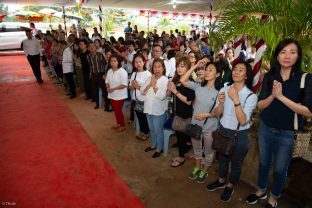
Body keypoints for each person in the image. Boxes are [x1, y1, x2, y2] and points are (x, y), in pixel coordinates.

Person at [245, 39, 312, 208]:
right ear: (277, 56)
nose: (287, 56)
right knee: (263, 163)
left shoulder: (305, 78)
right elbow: (260, 106)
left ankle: (273, 198)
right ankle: (260, 190)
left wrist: (282, 97)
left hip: (287, 133)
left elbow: (308, 111)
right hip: (266, 128)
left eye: (292, 52)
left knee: (280, 169)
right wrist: (273, 96)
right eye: (283, 52)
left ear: (298, 56)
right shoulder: (270, 76)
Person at [206, 60, 257, 202]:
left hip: (239, 135)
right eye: (235, 69)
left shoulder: (250, 96)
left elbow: (243, 121)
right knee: (222, 160)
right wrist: (221, 103)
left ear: (246, 76)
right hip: (223, 130)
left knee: (236, 164)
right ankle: (221, 181)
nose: (236, 72)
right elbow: (216, 113)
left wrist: (236, 100)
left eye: (241, 70)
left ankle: (230, 186)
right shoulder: (224, 88)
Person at [180, 60, 222, 182]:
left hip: (210, 128)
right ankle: (197, 167)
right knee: (197, 149)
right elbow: (183, 80)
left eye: (211, 70)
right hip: (195, 125)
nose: (207, 72)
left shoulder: (221, 91)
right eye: (206, 69)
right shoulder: (198, 87)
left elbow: (220, 111)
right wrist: (195, 66)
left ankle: (205, 171)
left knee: (208, 151)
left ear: (218, 74)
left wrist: (207, 115)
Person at [167, 57, 195, 168]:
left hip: (185, 113)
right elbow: (168, 95)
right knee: (180, 136)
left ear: (188, 68)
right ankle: (184, 151)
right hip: (176, 111)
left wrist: (175, 91)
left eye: (182, 66)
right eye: (178, 66)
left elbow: (188, 102)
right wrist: (170, 89)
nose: (179, 68)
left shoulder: (190, 82)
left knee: (182, 136)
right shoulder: (176, 79)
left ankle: (181, 157)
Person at [141, 58, 168, 158]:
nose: (157, 69)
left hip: (158, 111)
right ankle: (153, 145)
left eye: (159, 67)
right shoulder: (150, 77)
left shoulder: (165, 80)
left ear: (163, 68)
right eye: (155, 67)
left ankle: (159, 148)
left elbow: (162, 96)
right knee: (152, 130)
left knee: (158, 131)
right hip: (148, 109)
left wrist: (154, 86)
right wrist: (150, 84)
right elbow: (142, 91)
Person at [129, 53, 152, 140]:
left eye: (140, 61)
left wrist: (138, 87)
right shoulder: (134, 73)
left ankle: (146, 132)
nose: (138, 64)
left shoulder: (148, 74)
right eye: (136, 62)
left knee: (144, 117)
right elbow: (130, 87)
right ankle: (143, 131)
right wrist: (132, 86)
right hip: (136, 99)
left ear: (144, 62)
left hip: (145, 100)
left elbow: (149, 89)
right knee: (139, 116)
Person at [105, 54, 128, 132]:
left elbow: (124, 85)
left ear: (118, 62)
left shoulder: (122, 72)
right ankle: (118, 123)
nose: (113, 63)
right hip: (112, 94)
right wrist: (108, 87)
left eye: (115, 61)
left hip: (120, 95)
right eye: (111, 61)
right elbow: (107, 81)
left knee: (118, 110)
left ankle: (122, 125)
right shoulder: (109, 71)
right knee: (115, 110)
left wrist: (113, 89)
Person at [87, 42, 107, 109]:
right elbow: (90, 65)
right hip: (94, 74)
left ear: (96, 48)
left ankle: (106, 105)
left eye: (93, 46)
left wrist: (105, 74)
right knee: (94, 90)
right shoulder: (88, 56)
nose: (92, 48)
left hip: (101, 74)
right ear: (88, 48)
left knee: (104, 90)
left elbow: (105, 64)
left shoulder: (100, 55)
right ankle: (98, 104)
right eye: (90, 47)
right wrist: (90, 72)